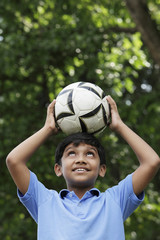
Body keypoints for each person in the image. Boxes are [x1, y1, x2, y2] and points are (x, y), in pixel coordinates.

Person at [6, 95, 160, 240]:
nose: (81, 160)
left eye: (90, 154)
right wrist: (47, 129)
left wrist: (119, 126)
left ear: (102, 169)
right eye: (72, 153)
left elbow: (151, 162)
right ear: (58, 169)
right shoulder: (44, 201)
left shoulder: (115, 201)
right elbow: (14, 161)